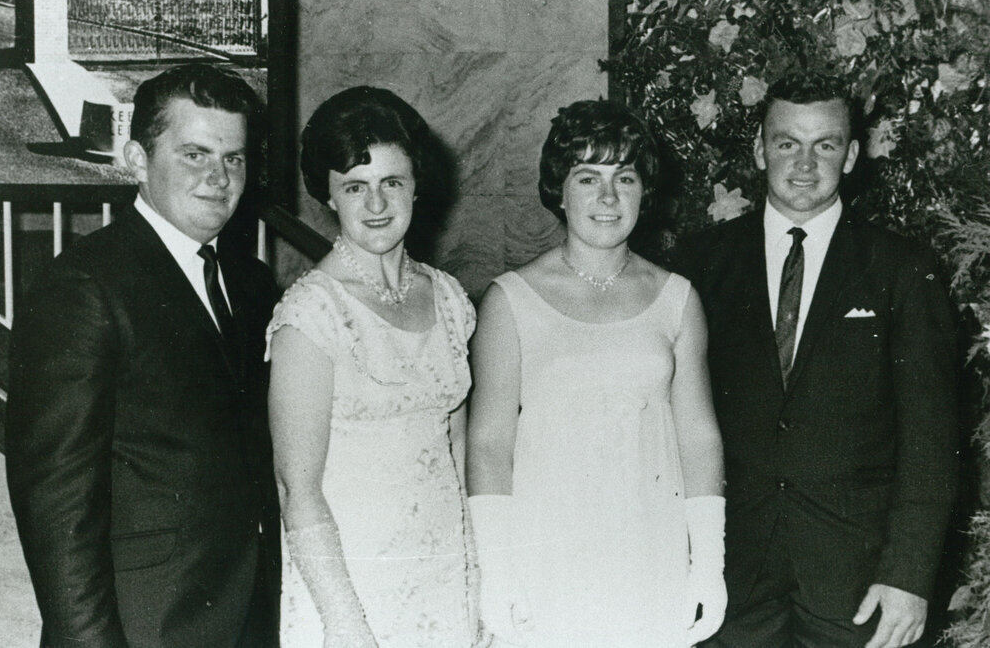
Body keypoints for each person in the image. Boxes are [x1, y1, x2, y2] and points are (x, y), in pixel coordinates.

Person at [673, 73, 959, 648]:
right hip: (729, 578)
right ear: (759, 149)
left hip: (856, 586)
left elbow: (933, 440)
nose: (805, 163)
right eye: (787, 143)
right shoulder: (699, 265)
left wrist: (907, 577)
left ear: (851, 155)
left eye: (825, 144)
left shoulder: (902, 268)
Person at [5, 64, 281, 647]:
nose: (219, 178)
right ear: (136, 160)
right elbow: (57, 510)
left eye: (233, 159)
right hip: (144, 628)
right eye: (194, 154)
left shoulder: (253, 285)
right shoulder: (82, 287)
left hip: (250, 620)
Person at [466, 99, 727, 648]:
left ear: (642, 192)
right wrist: (498, 569)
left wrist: (707, 563)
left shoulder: (678, 299)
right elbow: (489, 445)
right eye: (588, 177)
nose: (607, 197)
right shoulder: (511, 301)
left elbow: (699, 439)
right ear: (560, 191)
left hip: (650, 555)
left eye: (624, 178)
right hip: (547, 560)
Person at [266, 86, 478, 647]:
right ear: (329, 197)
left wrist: (476, 581)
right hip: (352, 593)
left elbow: (456, 458)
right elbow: (298, 489)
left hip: (443, 579)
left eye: (392, 182)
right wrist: (347, 625)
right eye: (355, 187)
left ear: (415, 185)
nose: (377, 204)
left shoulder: (450, 298)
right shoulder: (310, 315)